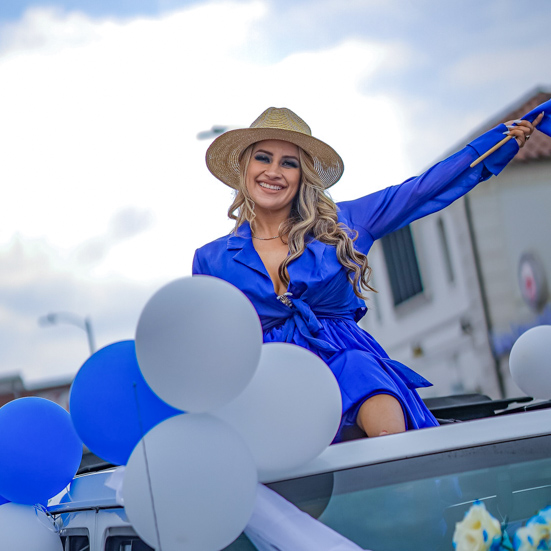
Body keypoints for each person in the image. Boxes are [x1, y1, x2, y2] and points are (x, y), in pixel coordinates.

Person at [192, 106, 542, 441]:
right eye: (263, 158)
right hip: (270, 384)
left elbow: (421, 190)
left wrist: (496, 144)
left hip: (349, 367)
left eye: (289, 163)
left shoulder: (346, 223)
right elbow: (212, 350)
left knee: (372, 399)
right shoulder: (210, 260)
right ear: (245, 166)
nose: (273, 171)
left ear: (303, 176)